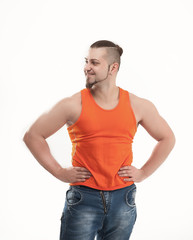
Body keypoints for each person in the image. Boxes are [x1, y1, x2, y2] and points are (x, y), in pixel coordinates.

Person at [23, 40, 176, 240]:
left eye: (94, 63)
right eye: (86, 61)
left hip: (124, 198)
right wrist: (59, 172)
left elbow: (167, 138)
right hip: (84, 198)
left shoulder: (138, 105)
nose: (87, 67)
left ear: (114, 68)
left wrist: (144, 172)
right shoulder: (72, 104)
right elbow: (33, 136)